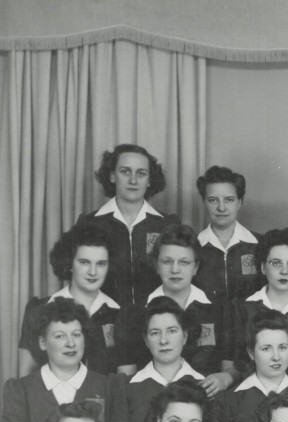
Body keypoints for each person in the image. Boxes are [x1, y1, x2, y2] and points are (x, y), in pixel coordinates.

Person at [4, 298, 115, 422]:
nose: (70, 343)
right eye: (60, 336)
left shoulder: (106, 386)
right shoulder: (20, 390)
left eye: (77, 335)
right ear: (42, 343)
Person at [124, 224, 235, 394]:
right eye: (167, 261)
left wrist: (225, 378)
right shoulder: (135, 313)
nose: (175, 269)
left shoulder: (218, 310)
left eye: (184, 262)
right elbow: (127, 380)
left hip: (204, 403)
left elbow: (230, 367)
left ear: (196, 267)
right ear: (156, 265)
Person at [76, 144, 180, 307]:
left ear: (149, 180)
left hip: (156, 322)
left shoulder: (167, 224)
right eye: (125, 171)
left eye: (141, 173)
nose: (133, 180)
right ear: (112, 176)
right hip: (106, 320)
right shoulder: (89, 223)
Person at [109, 298, 205, 422]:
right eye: (155, 333)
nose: (163, 340)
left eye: (172, 331)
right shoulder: (126, 387)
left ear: (184, 336)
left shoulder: (205, 385)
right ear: (146, 340)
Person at [18, 225, 123, 376]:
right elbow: (25, 377)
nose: (93, 272)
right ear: (69, 263)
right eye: (84, 262)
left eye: (101, 264)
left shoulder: (119, 314)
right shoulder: (39, 310)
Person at [231, 228, 288, 386]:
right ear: (262, 267)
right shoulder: (243, 308)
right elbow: (235, 365)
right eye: (276, 263)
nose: (284, 271)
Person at [195, 165, 263, 307]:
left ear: (239, 202)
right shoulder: (193, 246)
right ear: (204, 203)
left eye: (229, 200)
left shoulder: (260, 244)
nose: (221, 207)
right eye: (213, 200)